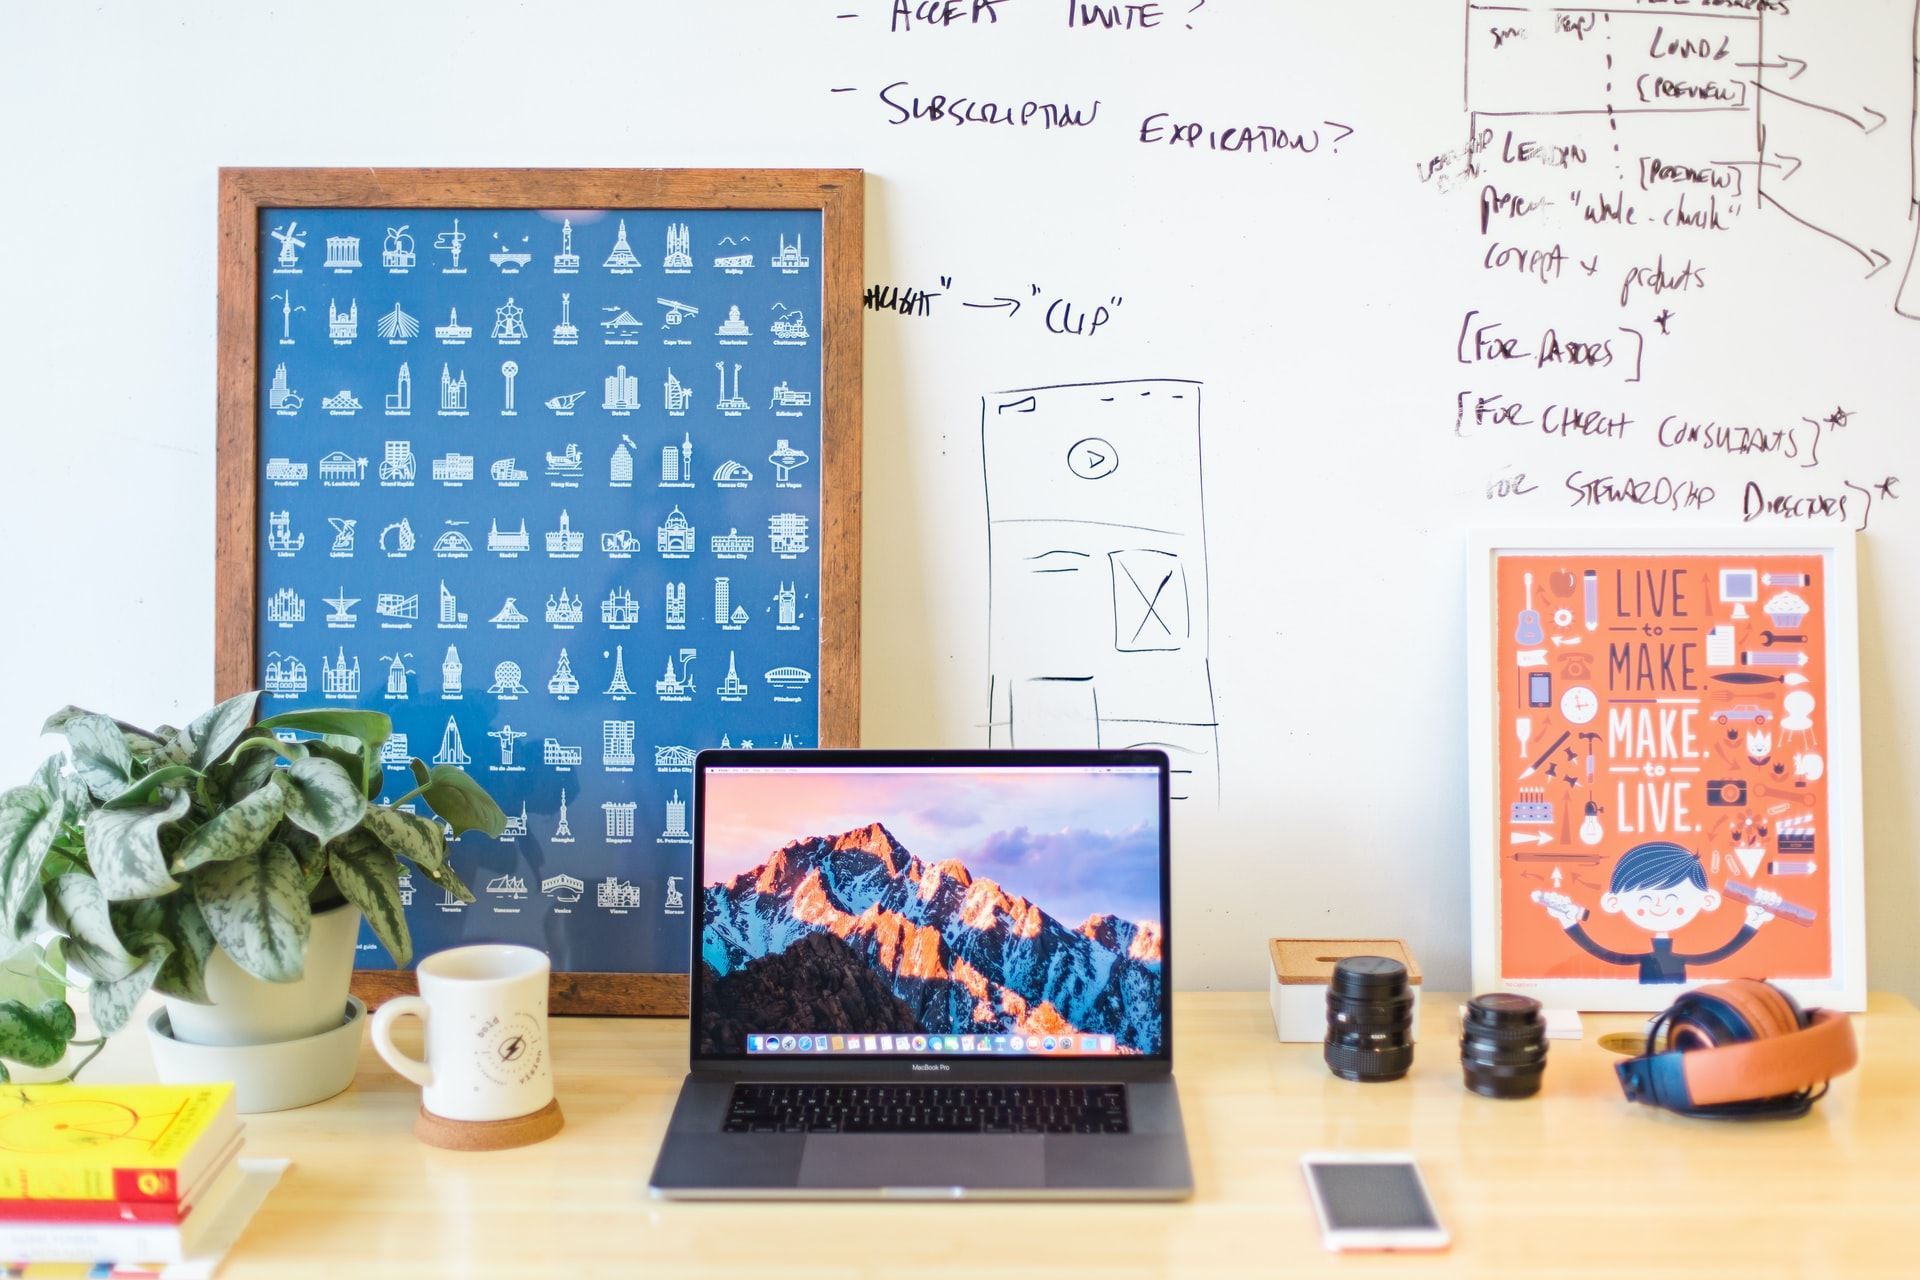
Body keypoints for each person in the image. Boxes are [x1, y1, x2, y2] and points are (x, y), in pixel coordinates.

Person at [1538, 841, 1772, 984]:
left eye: (1673, 897)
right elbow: (1603, 953)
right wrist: (1568, 921)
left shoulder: (1687, 952)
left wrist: (1753, 921)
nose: (1659, 906)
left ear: (1707, 899)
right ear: (1613, 902)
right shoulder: (1634, 953)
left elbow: (1717, 955)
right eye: (1645, 898)